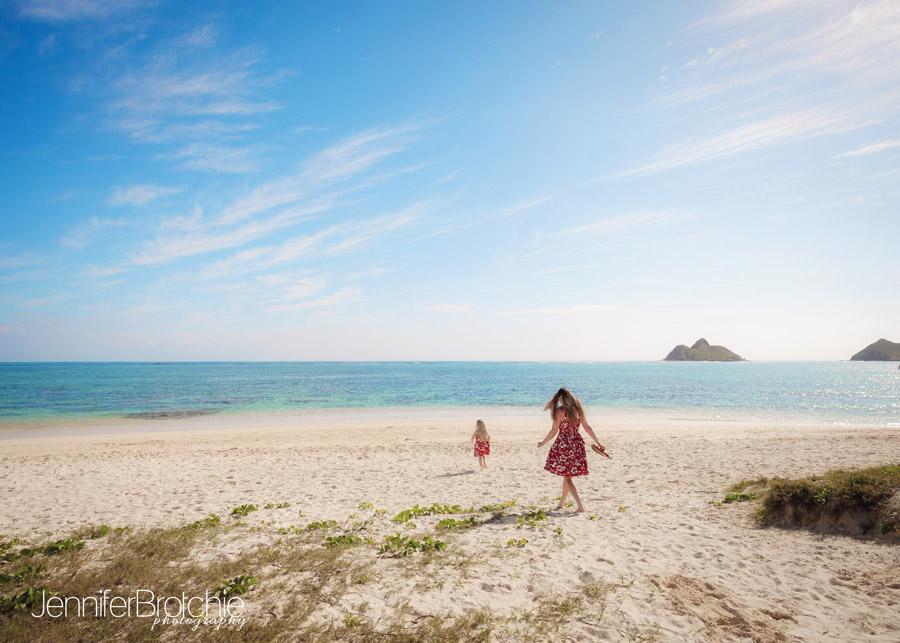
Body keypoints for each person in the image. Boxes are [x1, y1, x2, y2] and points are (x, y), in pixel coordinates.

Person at [537, 387, 607, 512]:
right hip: (577, 444)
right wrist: (598, 442)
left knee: (568, 477)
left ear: (560, 399)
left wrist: (543, 442)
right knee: (567, 475)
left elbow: (554, 431)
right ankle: (561, 503)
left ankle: (580, 506)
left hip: (564, 445)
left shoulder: (559, 411)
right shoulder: (579, 409)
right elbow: (587, 427)